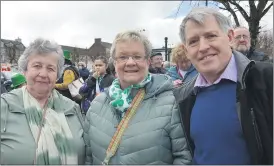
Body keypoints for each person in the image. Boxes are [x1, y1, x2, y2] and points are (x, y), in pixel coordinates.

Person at [174, 7, 273, 164]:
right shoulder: (183, 97)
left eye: (211, 36)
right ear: (186, 51)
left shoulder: (266, 79)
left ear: (229, 37)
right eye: (193, 41)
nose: (203, 47)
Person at [84, 30, 192, 165]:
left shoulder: (171, 104)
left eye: (137, 56)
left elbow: (183, 158)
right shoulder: (96, 106)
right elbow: (88, 158)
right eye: (123, 57)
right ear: (115, 63)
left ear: (147, 61)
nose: (130, 62)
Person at [1, 38, 86, 165]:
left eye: (51, 68)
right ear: (25, 70)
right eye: (37, 66)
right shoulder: (5, 106)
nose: (43, 73)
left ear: (57, 75)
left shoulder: (73, 109)